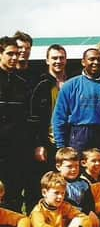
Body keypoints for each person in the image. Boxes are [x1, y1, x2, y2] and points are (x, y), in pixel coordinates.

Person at [52, 48, 100, 168]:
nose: (96, 62)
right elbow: (59, 118)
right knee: (78, 175)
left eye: (98, 59)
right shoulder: (70, 85)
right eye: (91, 59)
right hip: (78, 137)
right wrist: (61, 146)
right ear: (83, 62)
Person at [28, 44, 68, 210]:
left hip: (67, 142)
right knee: (43, 185)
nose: (58, 61)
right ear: (47, 60)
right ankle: (37, 224)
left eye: (61, 58)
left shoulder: (72, 82)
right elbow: (33, 117)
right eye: (54, 58)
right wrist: (39, 144)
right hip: (48, 142)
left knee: (63, 185)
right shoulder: (40, 83)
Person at [0, 36, 30, 212]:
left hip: (16, 150)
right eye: (10, 54)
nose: (14, 58)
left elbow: (27, 119)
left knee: (14, 193)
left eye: (17, 54)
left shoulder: (22, 83)